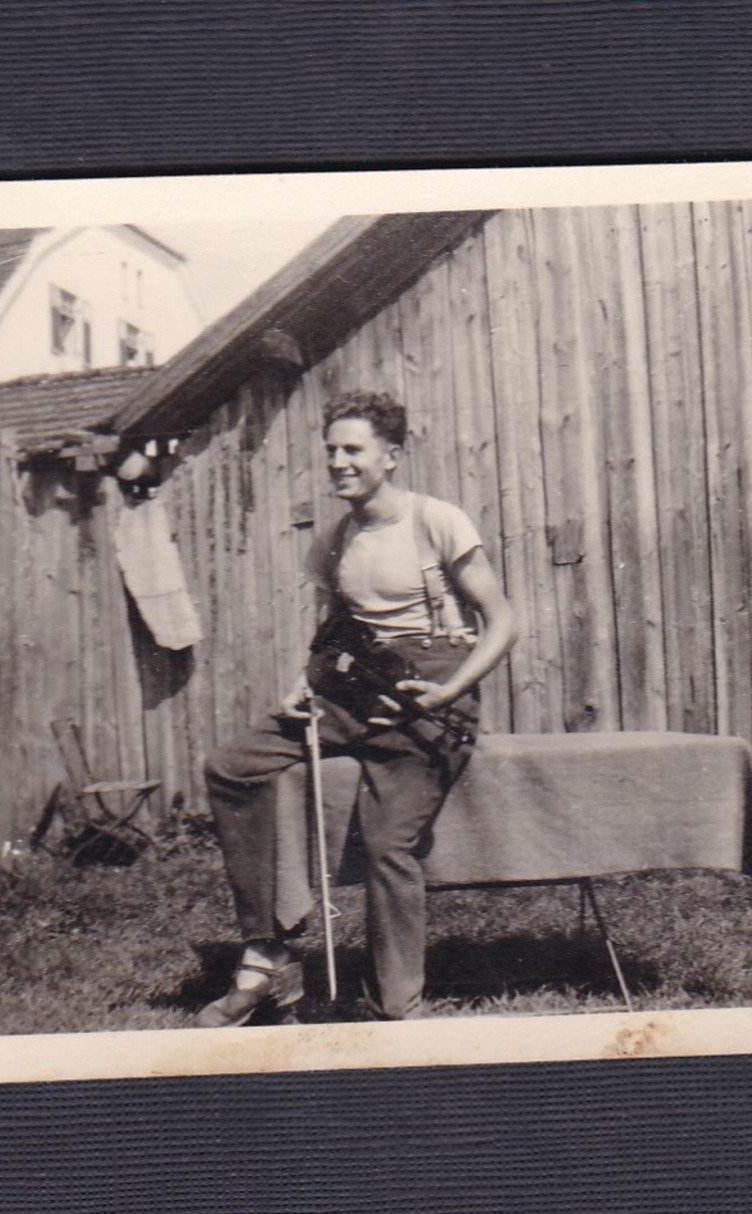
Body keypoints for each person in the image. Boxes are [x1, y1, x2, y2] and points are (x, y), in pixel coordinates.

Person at [198, 390, 517, 1024]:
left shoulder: (436, 521)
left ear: (392, 455)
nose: (339, 462)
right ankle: (266, 955)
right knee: (230, 766)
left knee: (386, 844)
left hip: (427, 702)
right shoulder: (338, 538)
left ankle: (396, 1010)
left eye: (353, 450)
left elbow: (503, 620)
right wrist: (302, 683)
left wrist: (452, 690)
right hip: (348, 693)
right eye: (331, 452)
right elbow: (330, 630)